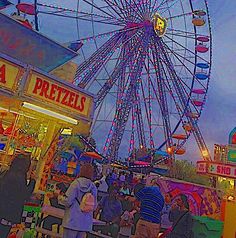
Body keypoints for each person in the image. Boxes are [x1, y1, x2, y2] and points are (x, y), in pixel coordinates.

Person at [0, 153, 36, 238]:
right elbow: (24, 195)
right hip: (8, 212)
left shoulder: (7, 173)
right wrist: (32, 181)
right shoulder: (20, 177)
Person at [59, 163, 97, 238]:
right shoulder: (93, 187)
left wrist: (59, 197)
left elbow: (68, 201)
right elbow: (94, 206)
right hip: (84, 223)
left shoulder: (76, 184)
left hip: (72, 221)